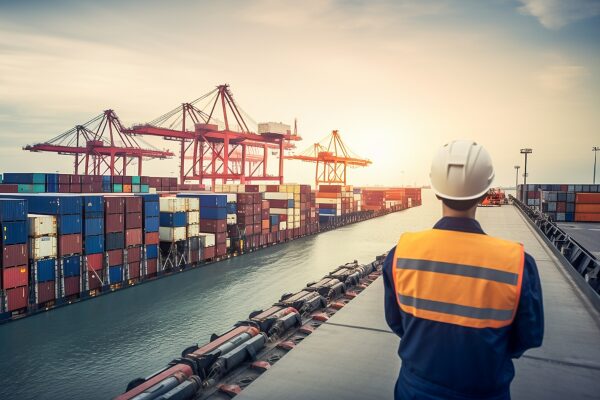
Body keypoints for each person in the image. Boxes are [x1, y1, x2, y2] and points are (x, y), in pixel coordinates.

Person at [383, 140, 544, 400]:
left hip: (413, 391)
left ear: (435, 192)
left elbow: (396, 322)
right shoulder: (517, 263)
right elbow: (527, 338)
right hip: (485, 392)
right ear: (484, 193)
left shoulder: (401, 254)